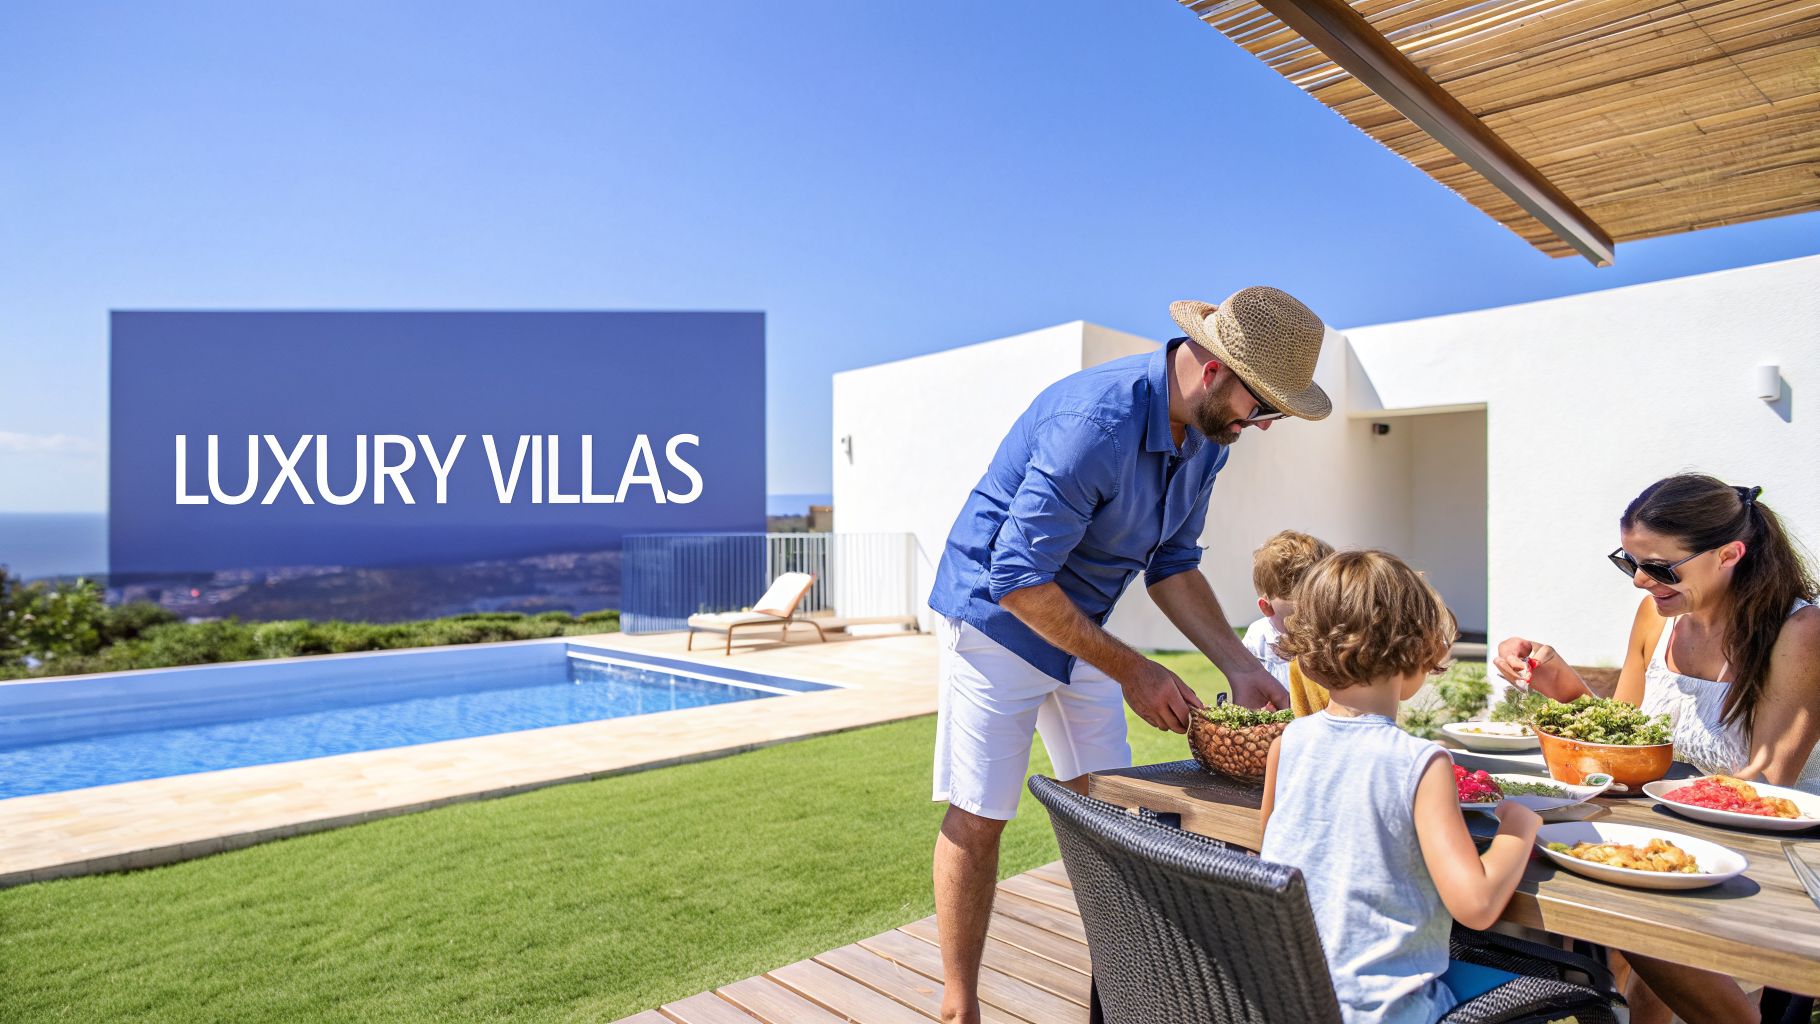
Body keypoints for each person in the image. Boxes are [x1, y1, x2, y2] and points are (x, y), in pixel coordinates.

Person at [927, 286, 1330, 1024]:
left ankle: (1126, 997)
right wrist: (1134, 668)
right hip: (994, 620)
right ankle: (959, 1006)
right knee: (981, 813)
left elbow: (1172, 561)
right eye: (1262, 407)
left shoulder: (1210, 438)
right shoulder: (1094, 423)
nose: (1264, 426)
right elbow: (1017, 578)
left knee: (1113, 814)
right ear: (1213, 373)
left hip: (1081, 624)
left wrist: (1238, 666)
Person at [1493, 473, 1820, 1023]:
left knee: (1640, 936)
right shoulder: (1659, 614)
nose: (1641, 582)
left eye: (1660, 567)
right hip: (1680, 831)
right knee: (1612, 923)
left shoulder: (1800, 630)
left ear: (1729, 554)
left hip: (1780, 855)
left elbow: (1766, 781)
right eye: (1629, 562)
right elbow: (1630, 738)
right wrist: (1562, 684)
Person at [1263, 550, 1543, 1024]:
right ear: (1418, 653)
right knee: (1590, 990)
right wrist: (1519, 825)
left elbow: (1270, 866)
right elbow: (1476, 906)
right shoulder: (1421, 763)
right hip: (1387, 1012)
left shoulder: (1287, 743)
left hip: (1292, 998)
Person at [1242, 529, 1334, 687]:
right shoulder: (1258, 640)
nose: (1317, 623)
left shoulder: (1336, 634)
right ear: (1267, 608)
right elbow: (1247, 686)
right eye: (1304, 617)